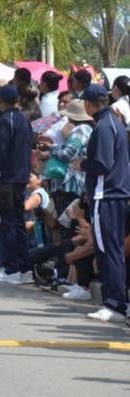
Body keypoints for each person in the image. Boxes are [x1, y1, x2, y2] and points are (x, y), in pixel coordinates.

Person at [79, 84, 130, 323]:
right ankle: (116, 301)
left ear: (89, 103)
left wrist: (83, 163)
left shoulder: (103, 126)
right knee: (112, 249)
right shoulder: (113, 123)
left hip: (106, 194)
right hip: (115, 194)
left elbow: (102, 163)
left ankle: (114, 303)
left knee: (108, 250)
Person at [0, 85, 34, 285]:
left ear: (1, 101)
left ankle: (11, 268)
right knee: (19, 223)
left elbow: (0, 152)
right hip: (22, 176)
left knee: (7, 224)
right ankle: (24, 267)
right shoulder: (25, 119)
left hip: (6, 179)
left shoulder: (4, 121)